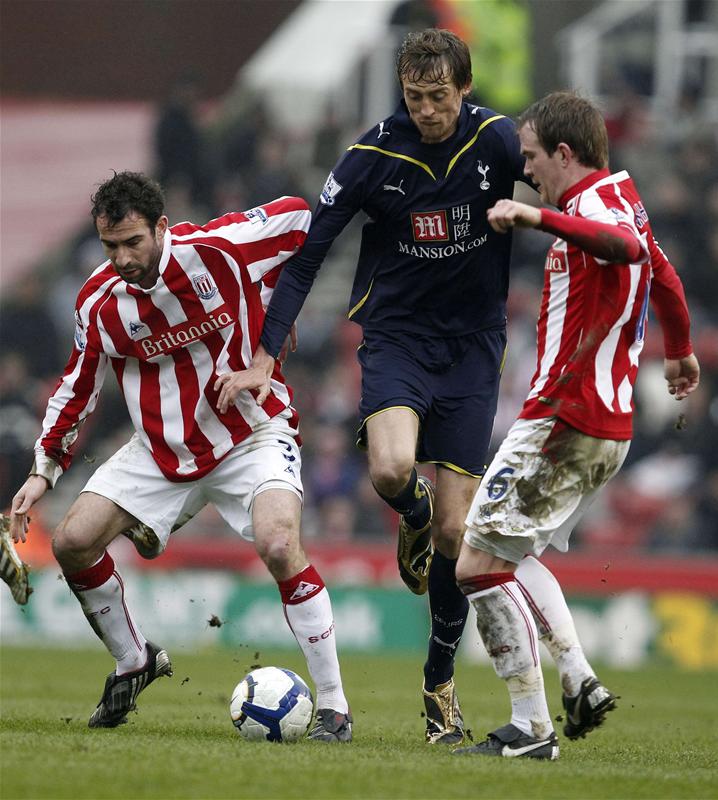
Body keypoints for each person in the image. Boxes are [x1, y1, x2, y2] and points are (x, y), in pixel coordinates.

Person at [227, 29, 608, 746]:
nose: (427, 110)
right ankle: (411, 509)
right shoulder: (373, 155)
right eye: (414, 96)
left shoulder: (497, 142)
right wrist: (262, 353)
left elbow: (568, 191)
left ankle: (438, 684)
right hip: (398, 339)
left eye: (439, 97)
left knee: (459, 538)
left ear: (464, 89)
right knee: (393, 469)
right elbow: (309, 258)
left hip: (473, 351)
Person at [8, 171, 352, 741]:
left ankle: (335, 707)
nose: (121, 258)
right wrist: (44, 469)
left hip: (251, 435)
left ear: (162, 227)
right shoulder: (98, 302)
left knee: (278, 542)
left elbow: (299, 215)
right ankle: (134, 661)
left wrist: (274, 324)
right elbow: (78, 385)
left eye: (133, 242)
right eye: (110, 246)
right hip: (161, 449)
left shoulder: (219, 251)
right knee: (71, 541)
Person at [451, 91, 699, 760]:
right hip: (599, 426)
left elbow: (622, 250)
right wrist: (678, 347)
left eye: (532, 158)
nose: (526, 169)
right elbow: (664, 274)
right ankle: (579, 678)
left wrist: (538, 218)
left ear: (564, 153)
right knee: (509, 552)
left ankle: (531, 728)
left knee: (474, 564)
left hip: (567, 416)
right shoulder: (622, 196)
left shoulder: (593, 209)